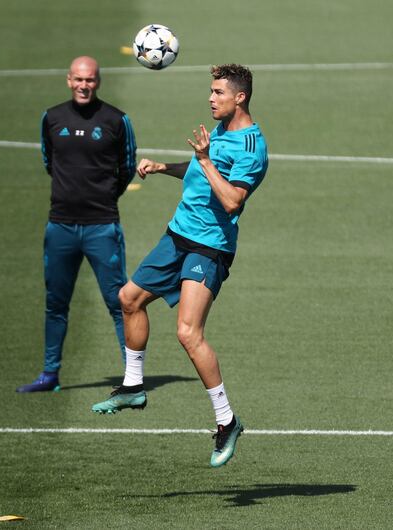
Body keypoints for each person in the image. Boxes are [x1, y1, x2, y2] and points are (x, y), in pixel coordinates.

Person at [91, 64, 268, 468]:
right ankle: (133, 386)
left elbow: (232, 201)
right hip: (178, 235)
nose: (210, 98)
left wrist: (204, 160)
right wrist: (164, 167)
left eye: (218, 93)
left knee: (188, 333)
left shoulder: (252, 148)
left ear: (240, 97)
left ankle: (227, 421)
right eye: (210, 91)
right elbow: (198, 175)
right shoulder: (222, 130)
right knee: (129, 299)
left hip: (210, 248)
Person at [16, 56, 137, 393]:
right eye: (79, 80)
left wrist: (106, 196)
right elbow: (48, 160)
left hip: (102, 226)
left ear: (98, 82)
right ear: (69, 80)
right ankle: (50, 374)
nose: (85, 85)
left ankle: (133, 377)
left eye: (91, 80)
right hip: (61, 227)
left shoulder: (116, 120)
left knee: (118, 302)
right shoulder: (52, 118)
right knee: (56, 303)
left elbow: (127, 165)